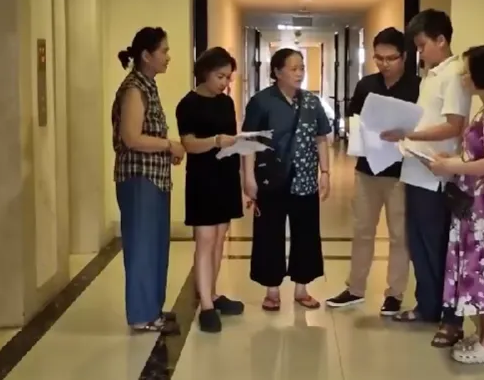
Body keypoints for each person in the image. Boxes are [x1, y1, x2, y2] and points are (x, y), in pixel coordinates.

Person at [382, 10, 470, 346]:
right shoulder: (431, 75)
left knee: (438, 248)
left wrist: (410, 134)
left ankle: (450, 317)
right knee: (418, 246)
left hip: (436, 174)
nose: (419, 53)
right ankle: (427, 306)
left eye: (422, 46)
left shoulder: (455, 74)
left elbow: (454, 125)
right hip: (416, 170)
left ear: (441, 40)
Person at [425, 45, 484, 364]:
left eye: (466, 72)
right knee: (477, 266)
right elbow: (476, 155)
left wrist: (452, 166)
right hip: (473, 200)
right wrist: (451, 159)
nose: (463, 78)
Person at [325, 27, 420, 316]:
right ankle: (355, 288)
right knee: (362, 230)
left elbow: (424, 127)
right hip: (367, 169)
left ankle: (394, 294)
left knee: (399, 236)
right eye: (378, 58)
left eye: (390, 58)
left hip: (401, 171)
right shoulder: (366, 85)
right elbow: (354, 119)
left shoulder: (417, 87)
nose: (384, 64)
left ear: (404, 57)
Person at [242, 48, 332, 311]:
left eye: (302, 68)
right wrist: (248, 177)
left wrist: (325, 172)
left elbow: (321, 138)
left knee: (306, 232)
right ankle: (272, 290)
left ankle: (302, 288)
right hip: (271, 178)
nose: (299, 73)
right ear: (277, 72)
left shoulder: (312, 102)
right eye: (293, 68)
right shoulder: (261, 101)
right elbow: (249, 141)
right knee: (270, 232)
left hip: (305, 178)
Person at [112, 27, 184, 334]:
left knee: (155, 245)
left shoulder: (147, 85)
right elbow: (131, 137)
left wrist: (167, 150)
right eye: (163, 51)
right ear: (146, 55)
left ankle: (152, 308)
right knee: (142, 247)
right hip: (138, 179)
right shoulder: (134, 88)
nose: (168, 57)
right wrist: (168, 145)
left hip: (154, 178)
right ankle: (142, 315)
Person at [176, 47, 245, 333]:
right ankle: (205, 305)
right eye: (220, 76)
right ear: (205, 72)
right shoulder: (188, 104)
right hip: (202, 178)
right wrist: (215, 141)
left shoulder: (226, 103)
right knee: (205, 239)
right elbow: (189, 144)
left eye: (228, 77)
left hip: (225, 176)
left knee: (218, 238)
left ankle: (213, 294)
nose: (225, 83)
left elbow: (232, 138)